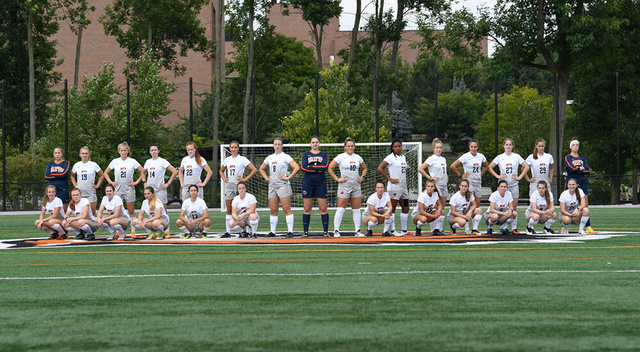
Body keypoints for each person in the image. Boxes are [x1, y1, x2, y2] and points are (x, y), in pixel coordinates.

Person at [259, 138, 300, 237]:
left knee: (286, 209)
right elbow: (261, 169)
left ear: (282, 146)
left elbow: (297, 167)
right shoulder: (270, 157)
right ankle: (272, 231)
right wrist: (266, 178)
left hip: (282, 185)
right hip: (272, 185)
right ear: (273, 145)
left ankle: (290, 231)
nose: (277, 146)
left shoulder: (285, 156)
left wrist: (288, 177)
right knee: (273, 210)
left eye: (279, 144)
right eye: (275, 144)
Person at [487, 138, 529, 234]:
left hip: (513, 184)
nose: (508, 146)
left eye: (510, 144)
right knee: (500, 207)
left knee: (513, 207)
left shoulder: (516, 156)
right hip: (503, 185)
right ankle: (499, 226)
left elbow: (526, 166)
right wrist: (498, 176)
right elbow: (489, 167)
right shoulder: (500, 157)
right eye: (507, 144)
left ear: (513, 146)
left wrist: (520, 177)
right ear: (504, 146)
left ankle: (512, 228)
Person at [327, 137, 368, 238]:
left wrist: (362, 177)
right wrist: (337, 179)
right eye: (348, 146)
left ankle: (357, 231)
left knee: (356, 209)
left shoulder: (358, 157)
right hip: (344, 185)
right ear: (345, 147)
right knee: (341, 208)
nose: (350, 147)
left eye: (352, 146)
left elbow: (365, 168)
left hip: (356, 186)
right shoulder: (340, 157)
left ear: (354, 147)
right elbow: (330, 168)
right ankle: (336, 230)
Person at [220, 140, 258, 238]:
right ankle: (228, 232)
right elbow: (221, 171)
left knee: (245, 207)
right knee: (229, 209)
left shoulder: (242, 159)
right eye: (232, 147)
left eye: (235, 147)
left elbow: (254, 170)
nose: (233, 149)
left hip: (239, 185)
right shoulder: (227, 159)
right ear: (229, 148)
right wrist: (224, 178)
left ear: (238, 148)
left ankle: (249, 230)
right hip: (229, 185)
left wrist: (245, 179)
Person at [450, 139, 489, 225]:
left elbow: (486, 166)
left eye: (475, 147)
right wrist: (461, 175)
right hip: (469, 183)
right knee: (468, 205)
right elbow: (453, 166)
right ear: (469, 147)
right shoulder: (465, 156)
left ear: (477, 147)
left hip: (478, 183)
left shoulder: (481, 156)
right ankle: (466, 226)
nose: (473, 148)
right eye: (472, 147)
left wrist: (480, 174)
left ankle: (474, 228)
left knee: (477, 206)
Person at [103, 142, 146, 217]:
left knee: (131, 211)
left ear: (127, 151)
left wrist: (136, 182)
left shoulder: (132, 161)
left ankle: (133, 228)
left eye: (124, 150)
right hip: (117, 189)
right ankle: (118, 228)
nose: (123, 152)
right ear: (119, 151)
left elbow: (144, 172)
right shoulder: (115, 161)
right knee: (116, 211)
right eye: (121, 150)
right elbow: (105, 173)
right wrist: (110, 182)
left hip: (128, 189)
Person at [377, 140, 410, 236]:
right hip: (395, 187)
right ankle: (392, 230)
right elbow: (380, 168)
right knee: (393, 208)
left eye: (399, 146)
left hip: (403, 187)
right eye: (395, 147)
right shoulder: (390, 157)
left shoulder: (403, 157)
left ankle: (404, 230)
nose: (398, 148)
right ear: (392, 148)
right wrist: (390, 179)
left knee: (406, 207)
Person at [564, 138, 595, 233]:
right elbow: (571, 168)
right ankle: (564, 225)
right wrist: (580, 169)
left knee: (585, 204)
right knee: (566, 204)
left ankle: (588, 227)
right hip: (571, 182)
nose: (575, 147)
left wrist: (580, 169)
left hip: (581, 182)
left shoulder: (582, 158)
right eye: (573, 145)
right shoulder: (568, 157)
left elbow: (588, 170)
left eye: (577, 145)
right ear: (570, 147)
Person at [300, 136, 330, 237]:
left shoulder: (324, 155)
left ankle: (325, 231)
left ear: (319, 143)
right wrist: (317, 169)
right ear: (310, 143)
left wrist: (311, 167)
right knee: (307, 209)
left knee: (323, 208)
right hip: (308, 183)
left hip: (320, 183)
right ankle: (305, 231)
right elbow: (304, 167)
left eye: (317, 142)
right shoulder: (306, 155)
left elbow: (325, 166)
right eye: (313, 142)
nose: (315, 144)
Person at [419, 138, 449, 227]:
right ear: (434, 148)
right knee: (435, 207)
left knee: (441, 208)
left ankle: (439, 228)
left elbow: (445, 172)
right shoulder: (431, 158)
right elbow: (420, 169)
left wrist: (446, 180)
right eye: (437, 147)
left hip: (444, 185)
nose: (439, 149)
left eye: (440, 147)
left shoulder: (443, 159)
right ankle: (434, 229)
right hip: (437, 185)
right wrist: (430, 178)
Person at [70, 146, 104, 215]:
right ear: (80, 154)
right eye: (83, 153)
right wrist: (74, 184)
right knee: (80, 213)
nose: (84, 155)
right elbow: (72, 175)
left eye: (86, 153)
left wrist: (97, 185)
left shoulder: (93, 165)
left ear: (88, 154)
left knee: (92, 213)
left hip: (90, 192)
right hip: (80, 193)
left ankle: (93, 225)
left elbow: (102, 175)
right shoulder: (77, 165)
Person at [144, 144, 178, 211]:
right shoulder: (148, 162)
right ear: (150, 152)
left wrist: (167, 184)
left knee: (163, 208)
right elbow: (143, 173)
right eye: (152, 150)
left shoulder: (162, 161)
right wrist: (144, 182)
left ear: (158, 151)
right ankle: (153, 221)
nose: (153, 151)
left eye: (155, 150)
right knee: (151, 208)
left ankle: (165, 221)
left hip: (160, 189)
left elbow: (175, 171)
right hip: (150, 189)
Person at [44, 147, 71, 213]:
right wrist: (59, 175)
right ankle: (55, 221)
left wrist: (53, 175)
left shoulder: (66, 163)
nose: (57, 154)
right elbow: (46, 176)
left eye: (59, 153)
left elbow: (64, 174)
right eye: (56, 153)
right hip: (52, 190)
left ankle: (65, 221)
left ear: (62, 154)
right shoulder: (50, 164)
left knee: (65, 207)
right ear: (53, 154)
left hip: (63, 189)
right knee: (53, 207)